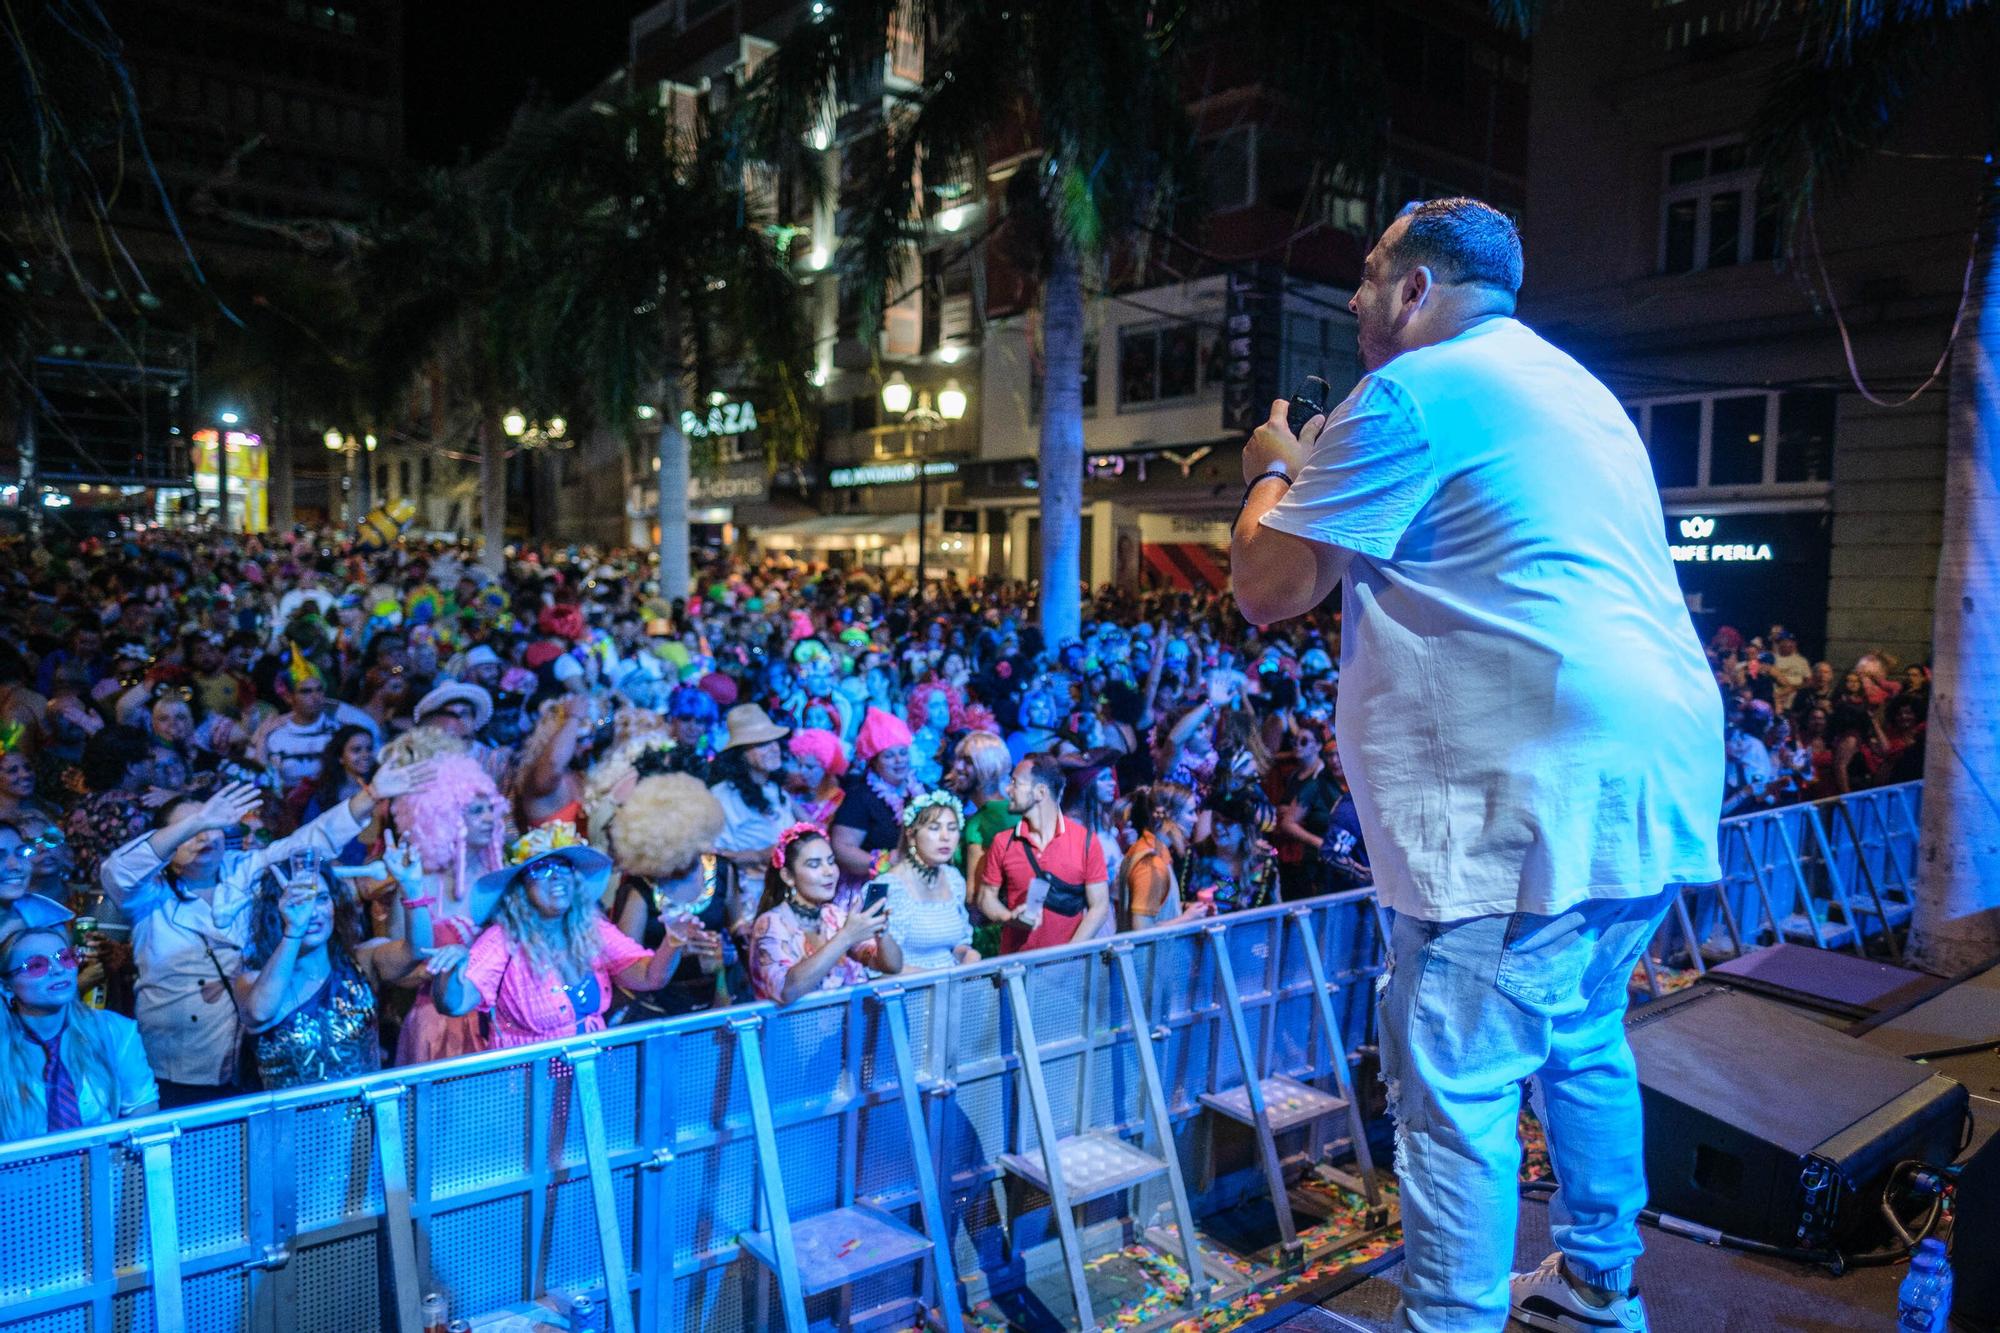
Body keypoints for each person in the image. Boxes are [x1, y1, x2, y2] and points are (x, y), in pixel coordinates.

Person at [1229, 198, 1722, 1332]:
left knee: (1453, 1084)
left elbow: (1269, 587)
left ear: (1415, 290)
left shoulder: (1410, 391)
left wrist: (1271, 469)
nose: (1352, 299)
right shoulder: (1573, 387)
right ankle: (1599, 1285)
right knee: (1584, 1034)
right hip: (1645, 778)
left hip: (1521, 798)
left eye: (1365, 277)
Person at [99, 767, 432, 1105]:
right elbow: (118, 872)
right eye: (190, 830)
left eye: (211, 825)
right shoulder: (147, 895)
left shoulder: (244, 869)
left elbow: (310, 841)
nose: (204, 836)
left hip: (248, 1058)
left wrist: (370, 796)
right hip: (178, 1065)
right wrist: (197, 820)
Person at [432, 827, 688, 1048]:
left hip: (591, 1076)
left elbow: (650, 976)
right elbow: (455, 1004)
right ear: (521, 888)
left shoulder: (590, 928)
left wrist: (673, 941)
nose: (556, 876)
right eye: (541, 869)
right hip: (531, 1087)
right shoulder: (503, 940)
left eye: (563, 867)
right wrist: (451, 972)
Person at [232, 835, 451, 1089]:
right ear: (277, 911)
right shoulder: (250, 981)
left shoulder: (362, 961)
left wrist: (413, 888)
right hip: (298, 1126)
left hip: (366, 1123)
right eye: (299, 901)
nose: (311, 912)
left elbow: (418, 949)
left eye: (321, 898)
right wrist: (294, 929)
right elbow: (260, 1012)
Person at [0, 924, 158, 1140]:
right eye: (37, 965)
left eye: (64, 957)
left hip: (104, 1168)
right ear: (6, 987)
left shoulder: (115, 1031)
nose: (57, 970)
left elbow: (143, 1111)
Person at [605, 772, 731, 1017]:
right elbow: (624, 967)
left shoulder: (721, 870)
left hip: (717, 1001)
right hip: (657, 1010)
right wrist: (676, 952)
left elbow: (737, 930)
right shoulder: (638, 891)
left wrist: (730, 951)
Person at [748, 823, 902, 1003]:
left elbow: (892, 966)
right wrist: (846, 936)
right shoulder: (770, 923)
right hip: (792, 1029)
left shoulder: (833, 916)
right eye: (814, 865)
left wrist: (881, 931)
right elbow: (786, 990)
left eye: (831, 861)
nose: (829, 871)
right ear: (788, 876)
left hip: (846, 1027)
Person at [976, 754, 1111, 952]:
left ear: (1040, 792)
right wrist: (1009, 917)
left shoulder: (1085, 841)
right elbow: (986, 898)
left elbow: (1099, 907)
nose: (1007, 790)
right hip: (1018, 968)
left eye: (1015, 783)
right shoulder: (1003, 842)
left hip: (1068, 973)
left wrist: (1068, 954)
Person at [708, 705, 801, 929]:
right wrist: (761, 855)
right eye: (760, 744)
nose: (772, 748)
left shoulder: (774, 788)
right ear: (740, 755)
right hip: (749, 903)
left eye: (773, 741)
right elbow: (712, 856)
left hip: (786, 893)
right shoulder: (722, 797)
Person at [878, 792, 977, 970]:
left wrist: (967, 954)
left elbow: (957, 944)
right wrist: (935, 981)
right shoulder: (887, 887)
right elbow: (876, 963)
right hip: (908, 990)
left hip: (951, 988)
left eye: (952, 828)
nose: (945, 837)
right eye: (934, 828)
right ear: (911, 835)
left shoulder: (953, 878)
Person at [831, 708, 923, 887]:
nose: (899, 760)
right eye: (889, 755)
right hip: (874, 886)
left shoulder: (921, 792)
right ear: (874, 761)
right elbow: (842, 848)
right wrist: (887, 863)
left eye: (903, 753)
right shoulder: (860, 797)